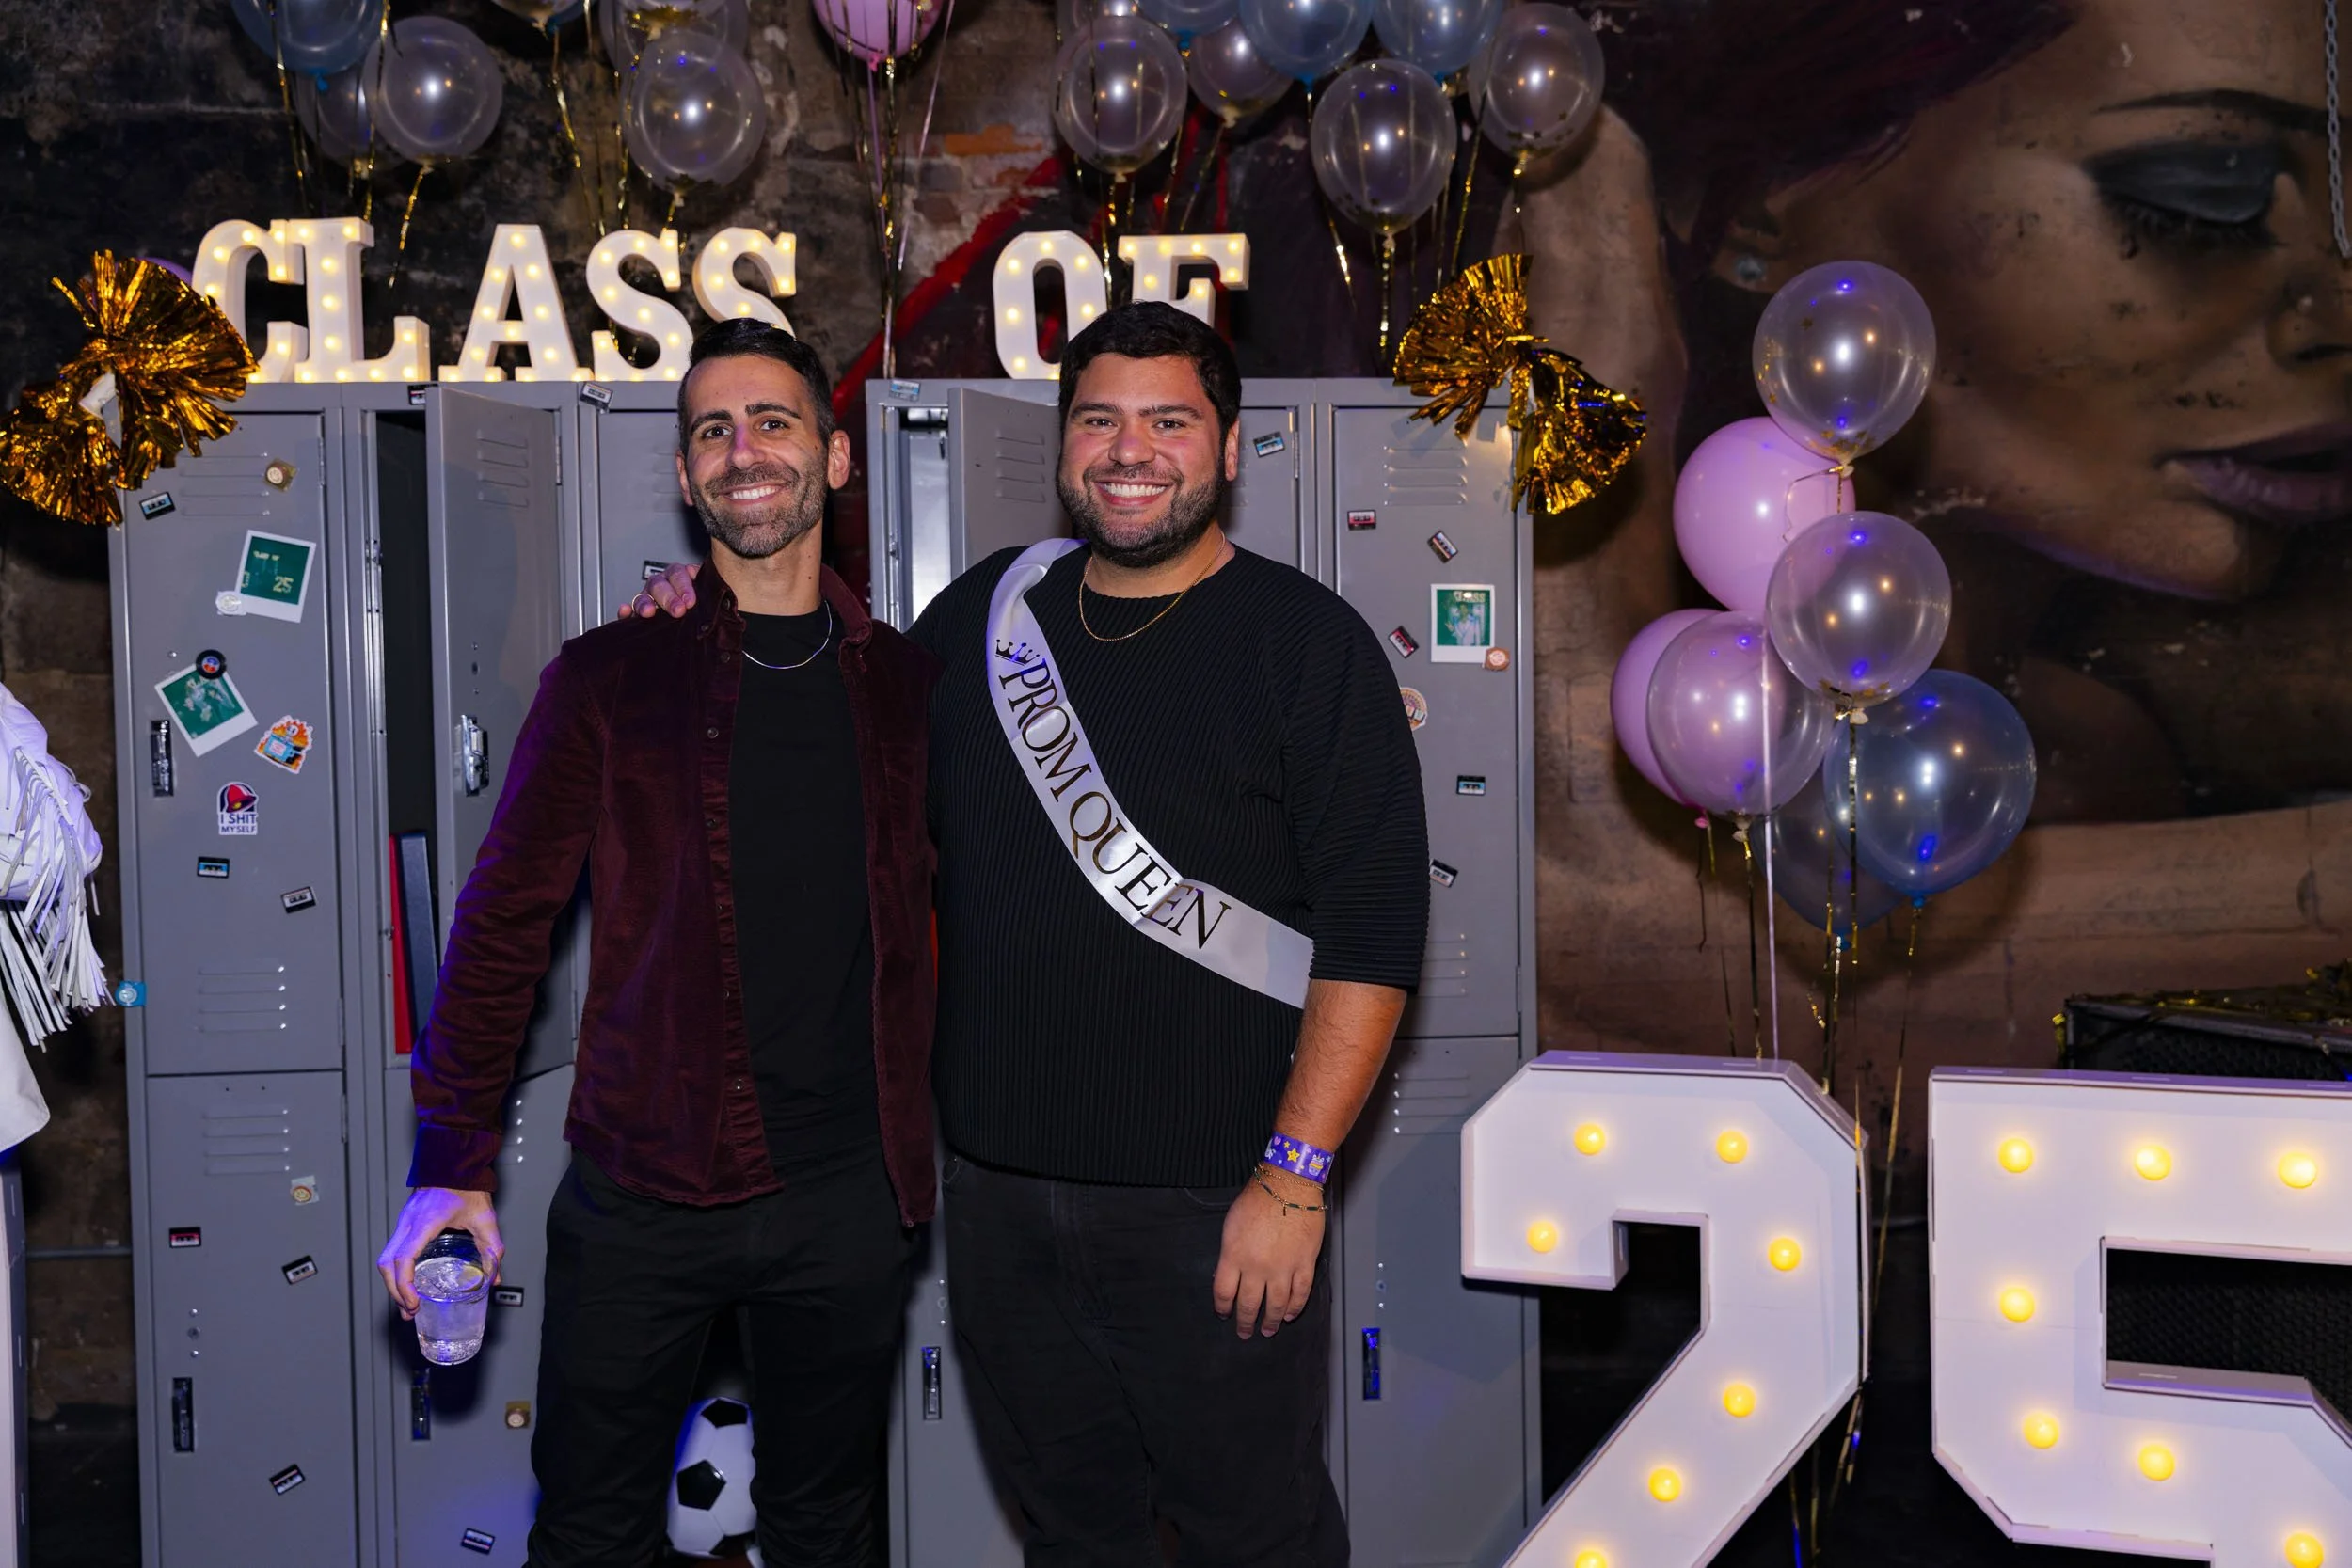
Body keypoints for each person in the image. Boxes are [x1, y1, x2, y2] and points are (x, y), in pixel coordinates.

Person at [631, 301, 1430, 1565]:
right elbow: (831, 739)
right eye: (1099, 419)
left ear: (1229, 448)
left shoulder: (1306, 645)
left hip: (1214, 1202)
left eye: (1169, 421)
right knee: (1070, 1537)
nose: (1131, 450)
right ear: (1064, 445)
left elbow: (1374, 935)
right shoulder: (982, 618)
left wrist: (1293, 1178)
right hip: (1000, 1202)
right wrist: (709, 613)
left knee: (1256, 1536)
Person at [379, 318, 941, 1567]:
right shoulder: (612, 676)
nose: (745, 449)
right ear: (687, 476)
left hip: (848, 1193)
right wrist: (450, 1159)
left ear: (835, 457)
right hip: (643, 1187)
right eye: (713, 431)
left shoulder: (913, 689)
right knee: (590, 1530)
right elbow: (503, 920)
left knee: (828, 1530)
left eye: (774, 421)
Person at [1572, 0, 2352, 821]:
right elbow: (1602, 879)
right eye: (2200, 198)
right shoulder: (1698, 727)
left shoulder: (2090, 756)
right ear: (1758, 205)